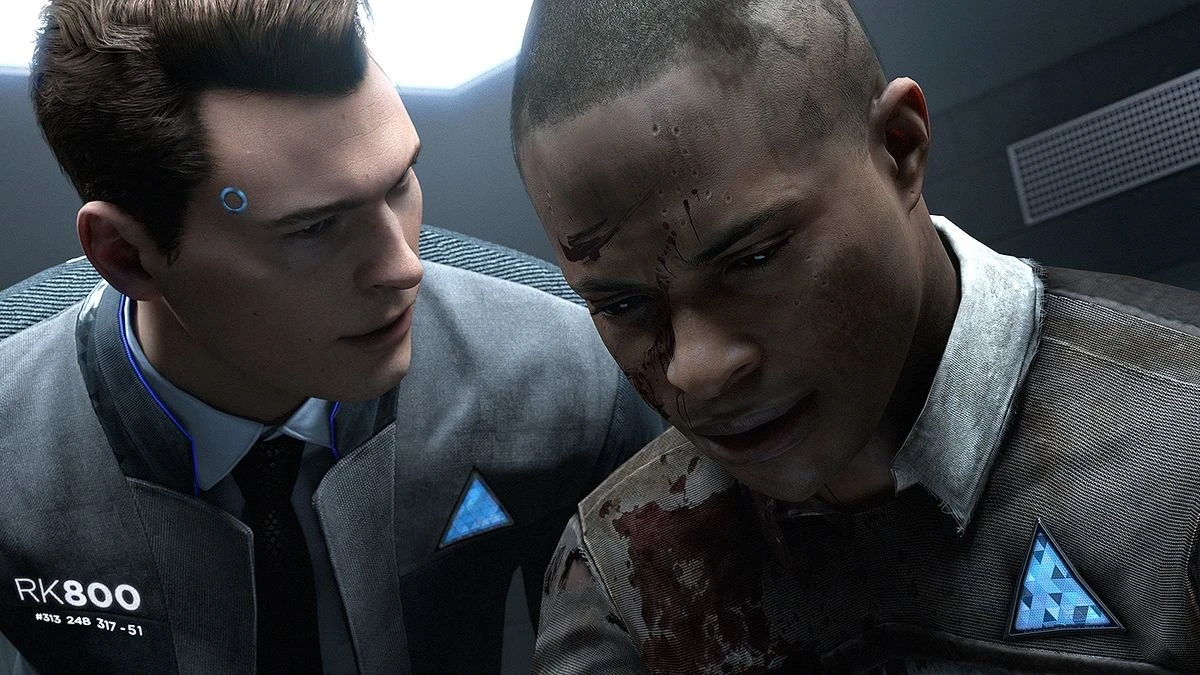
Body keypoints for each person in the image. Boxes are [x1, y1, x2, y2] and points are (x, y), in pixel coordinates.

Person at [509, 0, 1200, 671]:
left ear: (899, 147)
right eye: (624, 305)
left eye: (753, 259)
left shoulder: (1181, 449)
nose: (694, 370)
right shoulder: (623, 573)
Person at [0, 0, 661, 672]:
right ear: (126, 256)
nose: (404, 267)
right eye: (314, 228)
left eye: (399, 182)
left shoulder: (571, 379)